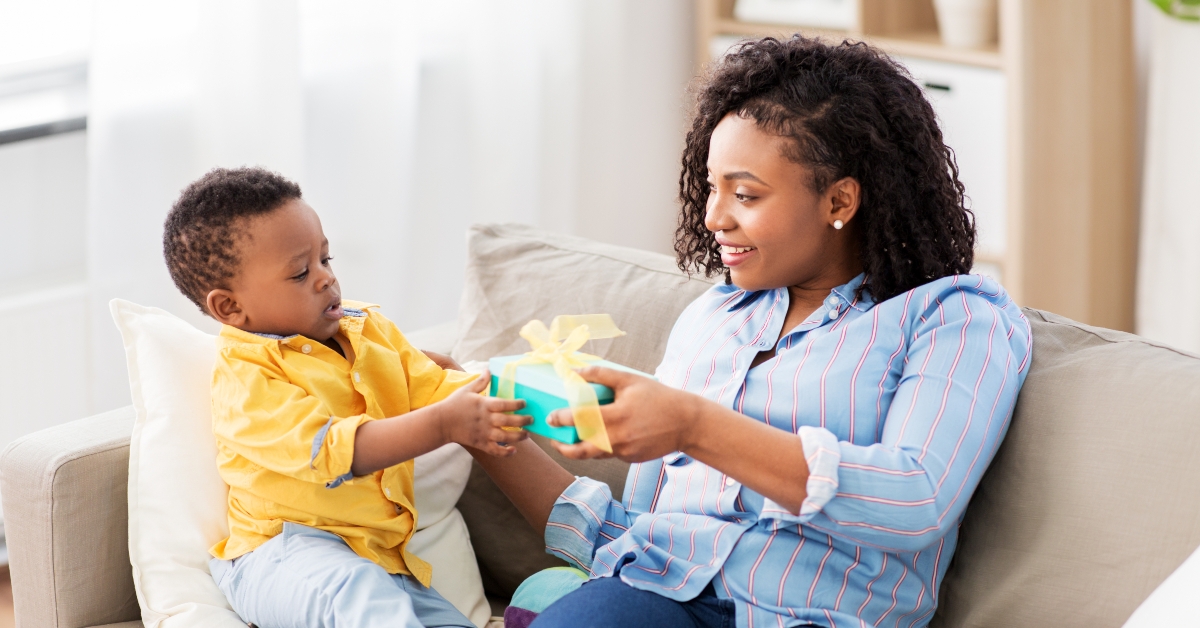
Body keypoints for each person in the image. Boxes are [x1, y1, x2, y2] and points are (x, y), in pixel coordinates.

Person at [471, 36, 1032, 628]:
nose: (714, 217)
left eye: (745, 194)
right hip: (651, 599)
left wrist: (693, 425)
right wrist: (481, 429)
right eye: (711, 187)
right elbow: (637, 541)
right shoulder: (716, 319)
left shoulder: (953, 317)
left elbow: (915, 499)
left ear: (839, 199)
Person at [162, 167, 530, 628]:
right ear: (231, 308)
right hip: (281, 555)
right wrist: (443, 424)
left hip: (380, 559)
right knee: (364, 600)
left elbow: (440, 390)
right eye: (300, 273)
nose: (325, 280)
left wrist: (523, 397)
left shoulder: (367, 330)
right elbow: (331, 450)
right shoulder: (247, 377)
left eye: (326, 259)